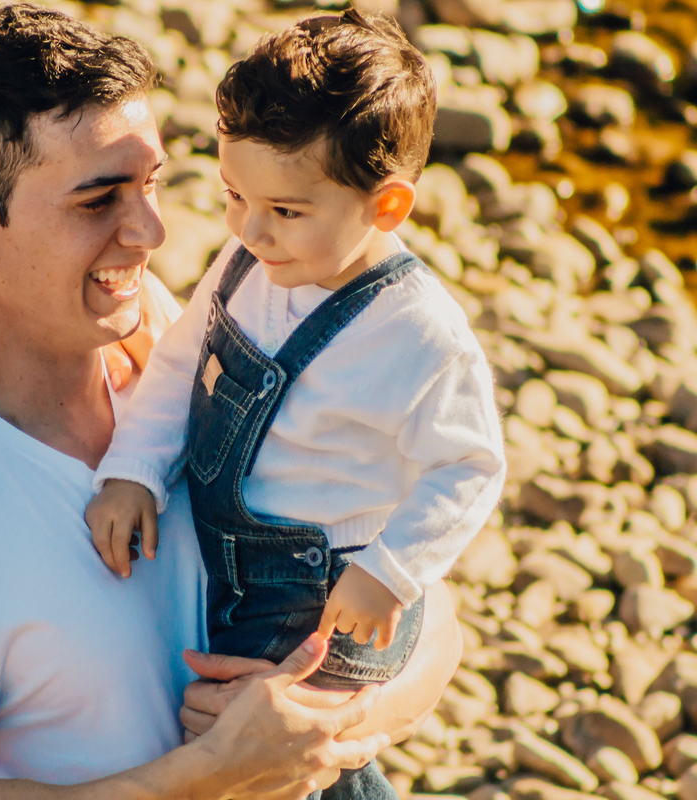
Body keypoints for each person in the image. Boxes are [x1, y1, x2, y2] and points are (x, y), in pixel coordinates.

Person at [0, 4, 464, 798]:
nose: (150, 230)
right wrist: (216, 775)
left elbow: (434, 614)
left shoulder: (205, 350)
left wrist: (338, 729)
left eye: (153, 184)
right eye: (98, 201)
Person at [85, 11, 507, 798]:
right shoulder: (248, 262)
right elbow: (182, 362)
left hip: (324, 592)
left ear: (386, 207)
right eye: (232, 195)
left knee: (288, 760)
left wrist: (393, 571)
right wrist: (135, 470)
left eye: (285, 211)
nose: (251, 228)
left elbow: (470, 466)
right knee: (239, 738)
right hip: (231, 559)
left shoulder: (417, 333)